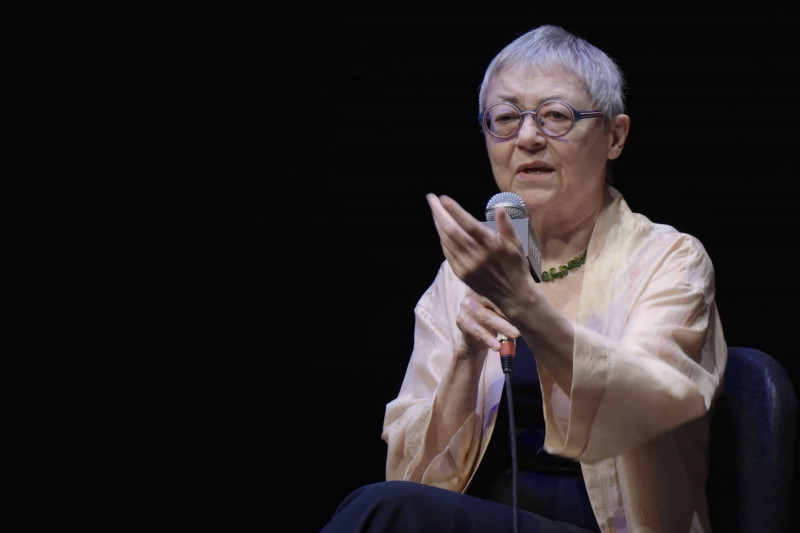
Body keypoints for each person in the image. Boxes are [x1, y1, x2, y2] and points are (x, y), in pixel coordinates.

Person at [319, 24, 726, 533]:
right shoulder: (461, 279)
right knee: (385, 504)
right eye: (505, 119)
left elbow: (646, 408)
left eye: (556, 116)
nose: (528, 138)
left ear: (615, 136)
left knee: (382, 513)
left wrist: (525, 305)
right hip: (481, 517)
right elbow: (411, 477)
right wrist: (466, 362)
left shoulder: (668, 260)